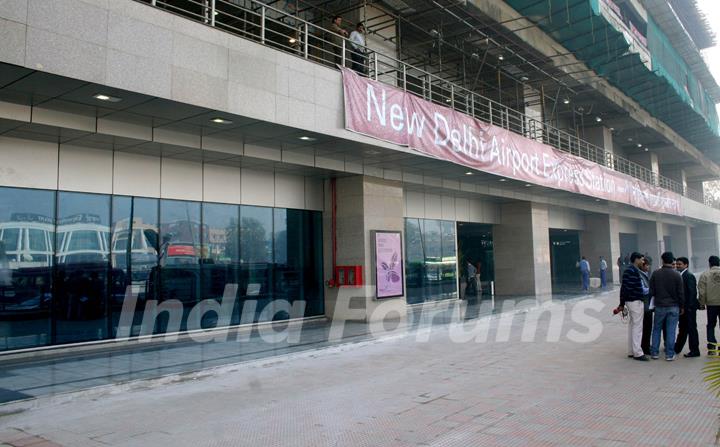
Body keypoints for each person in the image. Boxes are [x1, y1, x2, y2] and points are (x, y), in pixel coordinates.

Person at [649, 252, 684, 361]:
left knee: (656, 329)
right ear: (672, 261)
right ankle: (669, 354)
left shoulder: (655, 273)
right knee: (671, 330)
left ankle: (654, 352)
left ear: (662, 260)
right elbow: (681, 293)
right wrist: (682, 306)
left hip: (659, 306)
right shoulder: (677, 275)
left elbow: (652, 291)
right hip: (674, 306)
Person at [618, 252, 648, 361]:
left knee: (632, 326)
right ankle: (638, 353)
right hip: (635, 301)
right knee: (637, 327)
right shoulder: (632, 271)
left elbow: (623, 288)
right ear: (636, 259)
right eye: (641, 259)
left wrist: (622, 303)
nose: (643, 262)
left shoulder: (629, 270)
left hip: (630, 301)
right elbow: (627, 288)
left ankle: (631, 350)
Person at [674, 257, 700, 357]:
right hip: (683, 308)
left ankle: (694, 350)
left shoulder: (688, 276)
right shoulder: (679, 275)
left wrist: (688, 307)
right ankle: (677, 348)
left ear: (686, 265)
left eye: (679, 264)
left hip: (689, 308)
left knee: (691, 329)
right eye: (676, 264)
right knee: (683, 328)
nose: (677, 266)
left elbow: (692, 292)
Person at [699, 255, 720, 355]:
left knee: (711, 325)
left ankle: (712, 347)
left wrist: (702, 303)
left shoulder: (705, 274)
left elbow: (702, 292)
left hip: (711, 304)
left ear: (709, 263)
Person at [639, 258, 653, 355]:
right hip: (644, 306)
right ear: (643, 266)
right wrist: (653, 288)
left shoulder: (645, 274)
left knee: (648, 327)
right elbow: (643, 290)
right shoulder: (640, 275)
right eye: (647, 265)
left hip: (648, 304)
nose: (649, 267)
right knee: (646, 327)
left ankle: (646, 345)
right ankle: (645, 347)